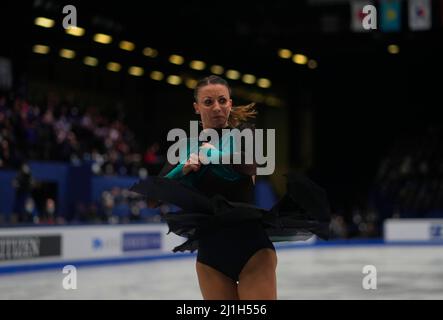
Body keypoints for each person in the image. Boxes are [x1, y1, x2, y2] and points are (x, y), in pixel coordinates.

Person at [130, 75, 330, 300]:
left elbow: (249, 166)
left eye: (222, 101)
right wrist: (181, 170)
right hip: (210, 258)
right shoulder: (185, 149)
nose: (217, 107)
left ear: (230, 104)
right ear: (196, 107)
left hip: (252, 250)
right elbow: (152, 200)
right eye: (208, 102)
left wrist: (214, 155)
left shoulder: (244, 135)